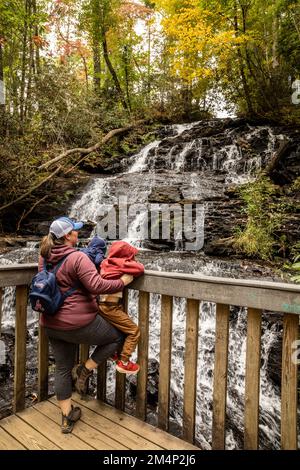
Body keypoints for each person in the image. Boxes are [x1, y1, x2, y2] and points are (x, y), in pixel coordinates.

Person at [38, 216, 133, 434]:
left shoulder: (44, 255)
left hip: (50, 321)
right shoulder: (77, 257)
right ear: (67, 236)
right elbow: (96, 285)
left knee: (62, 368)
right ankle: (84, 368)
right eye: (75, 231)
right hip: (78, 323)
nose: (78, 233)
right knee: (117, 337)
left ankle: (66, 417)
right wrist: (123, 282)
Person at [99, 241, 144, 375]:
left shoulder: (106, 263)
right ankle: (124, 361)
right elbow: (140, 269)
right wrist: (126, 262)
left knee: (117, 329)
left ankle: (114, 353)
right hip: (110, 307)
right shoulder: (121, 266)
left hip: (101, 304)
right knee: (133, 331)